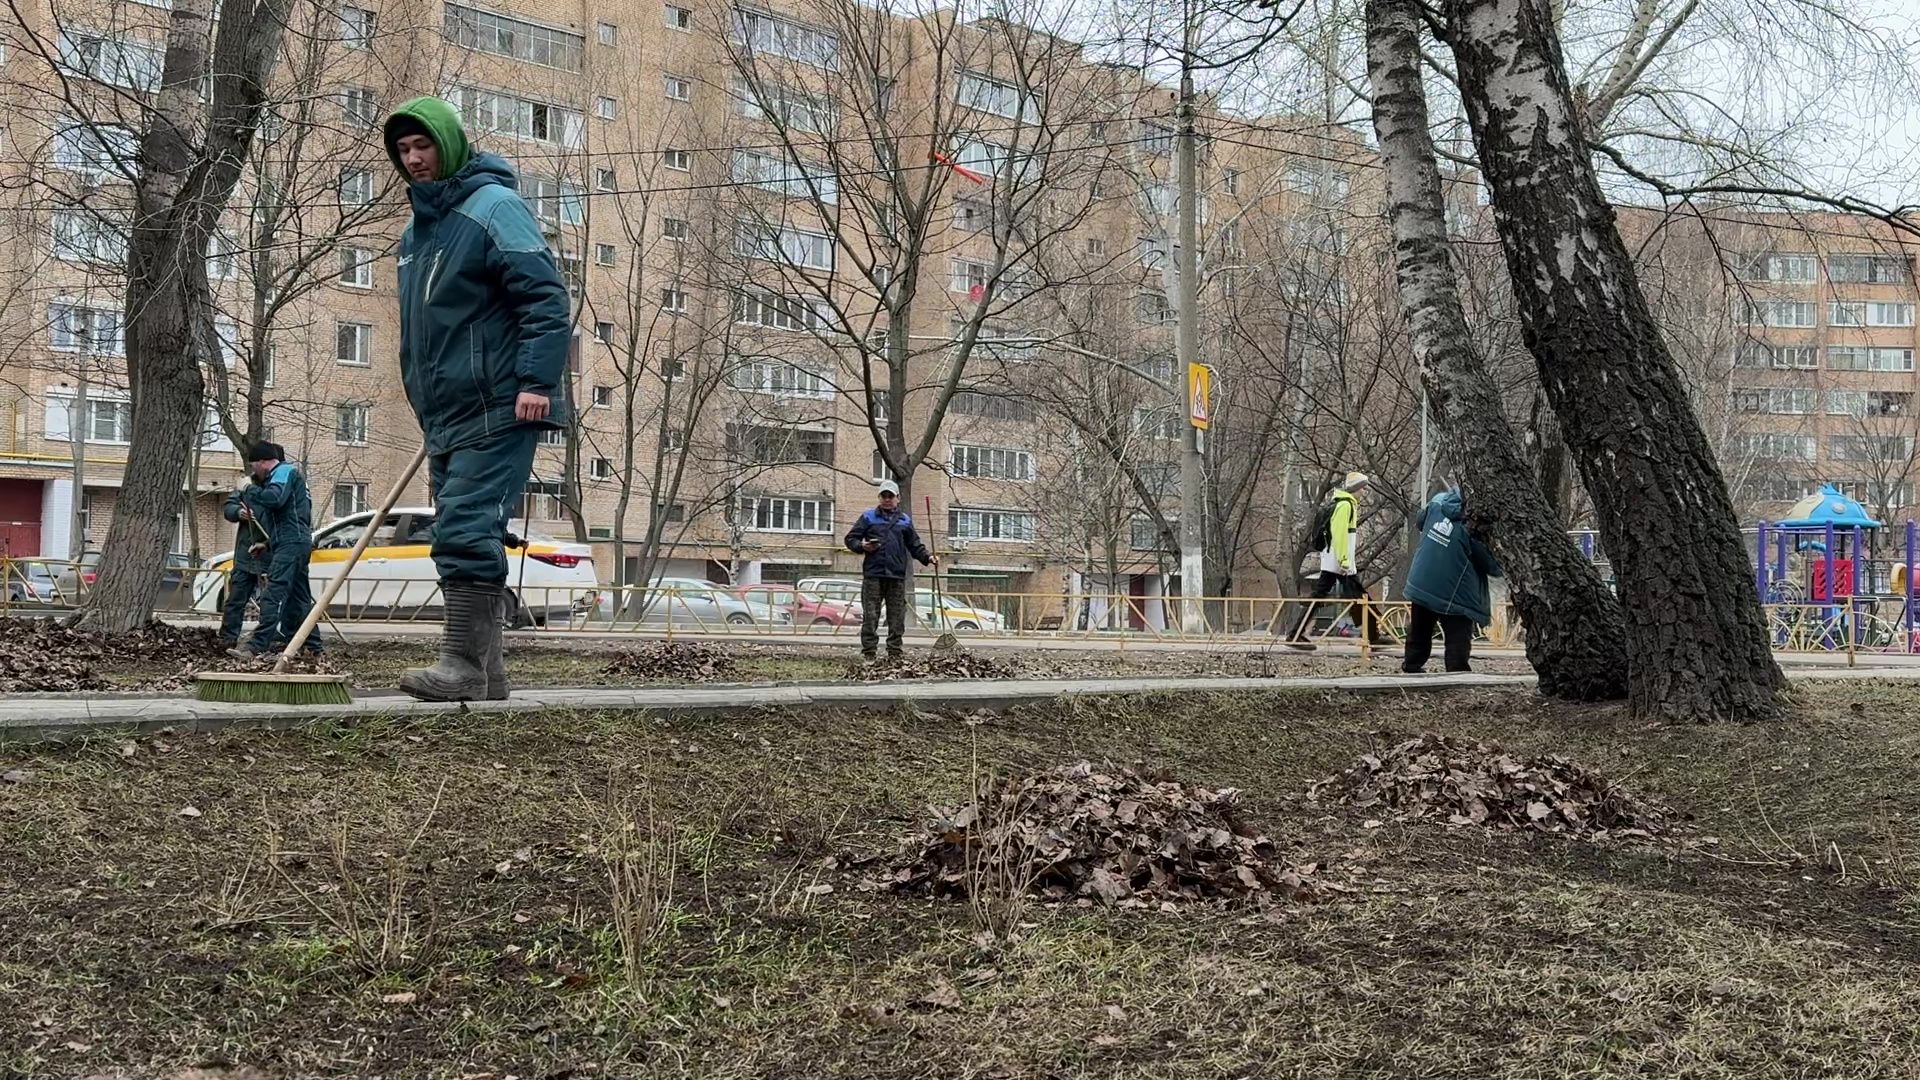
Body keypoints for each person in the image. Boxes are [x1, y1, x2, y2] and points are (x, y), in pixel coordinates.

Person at [383, 96, 570, 701]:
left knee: (463, 529)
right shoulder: (417, 232)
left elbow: (545, 299)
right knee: (465, 528)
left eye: (423, 146)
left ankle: (462, 665)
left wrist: (537, 383)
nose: (414, 160)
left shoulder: (495, 207)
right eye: (403, 150)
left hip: (501, 402)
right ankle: (487, 677)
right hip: (447, 412)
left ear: (450, 143)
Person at [229, 442, 319, 658]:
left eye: (254, 466)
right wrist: (267, 545)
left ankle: (256, 646)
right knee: (299, 599)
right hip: (293, 543)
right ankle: (314, 648)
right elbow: (291, 517)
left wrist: (248, 489)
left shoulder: (283, 472)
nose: (253, 472)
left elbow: (274, 499)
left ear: (262, 462)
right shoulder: (288, 476)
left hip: (291, 544)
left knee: (272, 594)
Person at [1402, 488, 1503, 673]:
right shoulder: (1475, 526)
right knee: (1458, 634)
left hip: (1422, 579)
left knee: (1419, 628)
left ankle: (1411, 666)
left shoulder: (1438, 501)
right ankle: (1457, 672)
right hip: (1456, 591)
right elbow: (1493, 566)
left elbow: (1420, 521)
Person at [843, 480, 937, 661]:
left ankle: (894, 652)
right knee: (871, 615)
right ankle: (869, 653)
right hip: (873, 575)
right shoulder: (868, 517)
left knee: (896, 616)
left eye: (890, 496)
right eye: (884, 496)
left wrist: (928, 557)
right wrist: (862, 546)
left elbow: (914, 545)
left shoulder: (904, 520)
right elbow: (850, 539)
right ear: (879, 498)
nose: (887, 499)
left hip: (896, 576)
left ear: (898, 498)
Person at [1285, 471, 1370, 648]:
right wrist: (1345, 560)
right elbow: (1340, 535)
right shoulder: (1346, 505)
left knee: (1333, 595)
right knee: (1359, 595)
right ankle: (1374, 634)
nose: (1364, 491)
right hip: (1339, 561)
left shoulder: (1343, 503)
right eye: (1363, 487)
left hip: (1334, 559)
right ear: (1355, 488)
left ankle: (1295, 634)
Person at [218, 475, 270, 648]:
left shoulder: (278, 488)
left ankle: (264, 641)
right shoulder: (248, 484)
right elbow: (229, 507)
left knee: (270, 602)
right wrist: (237, 512)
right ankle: (227, 639)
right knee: (235, 600)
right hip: (245, 555)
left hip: (269, 555)